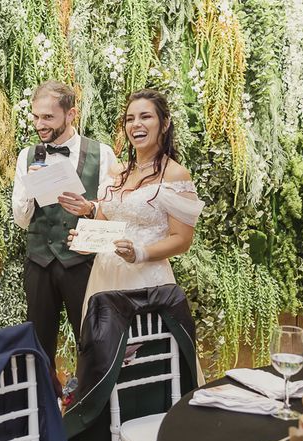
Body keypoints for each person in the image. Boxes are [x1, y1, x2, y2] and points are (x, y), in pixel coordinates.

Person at [12, 80, 116, 393]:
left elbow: (114, 210)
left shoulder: (102, 154)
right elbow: (21, 220)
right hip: (39, 261)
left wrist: (89, 208)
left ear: (71, 114)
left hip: (82, 261)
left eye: (47, 118)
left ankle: (92, 409)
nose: (39, 125)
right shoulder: (27, 156)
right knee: (39, 344)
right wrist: (30, 188)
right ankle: (45, 413)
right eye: (35, 117)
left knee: (92, 340)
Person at [68, 88, 204, 316]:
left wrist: (138, 253)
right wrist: (85, 242)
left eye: (145, 117)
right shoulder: (116, 171)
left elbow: (182, 240)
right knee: (105, 346)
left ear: (165, 123)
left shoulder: (175, 175)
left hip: (146, 281)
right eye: (130, 119)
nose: (136, 124)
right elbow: (103, 225)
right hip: (103, 279)